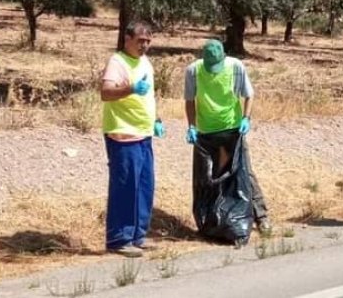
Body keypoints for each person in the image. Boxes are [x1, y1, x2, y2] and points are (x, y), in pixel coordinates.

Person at [184, 39, 272, 234]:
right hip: (206, 133)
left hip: (232, 130)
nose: (213, 71)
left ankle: (261, 216)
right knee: (210, 177)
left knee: (243, 172)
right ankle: (213, 220)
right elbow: (190, 101)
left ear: (224, 57)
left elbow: (249, 95)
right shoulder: (193, 71)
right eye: (210, 67)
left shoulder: (235, 67)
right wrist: (191, 126)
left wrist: (246, 118)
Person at [100, 20, 165, 258]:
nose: (144, 45)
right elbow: (106, 92)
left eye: (148, 41)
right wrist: (130, 89)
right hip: (123, 133)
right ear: (127, 39)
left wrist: (156, 119)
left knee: (144, 187)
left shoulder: (145, 62)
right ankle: (119, 239)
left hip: (144, 133)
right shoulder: (117, 62)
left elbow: (148, 96)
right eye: (140, 40)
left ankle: (137, 235)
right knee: (125, 186)